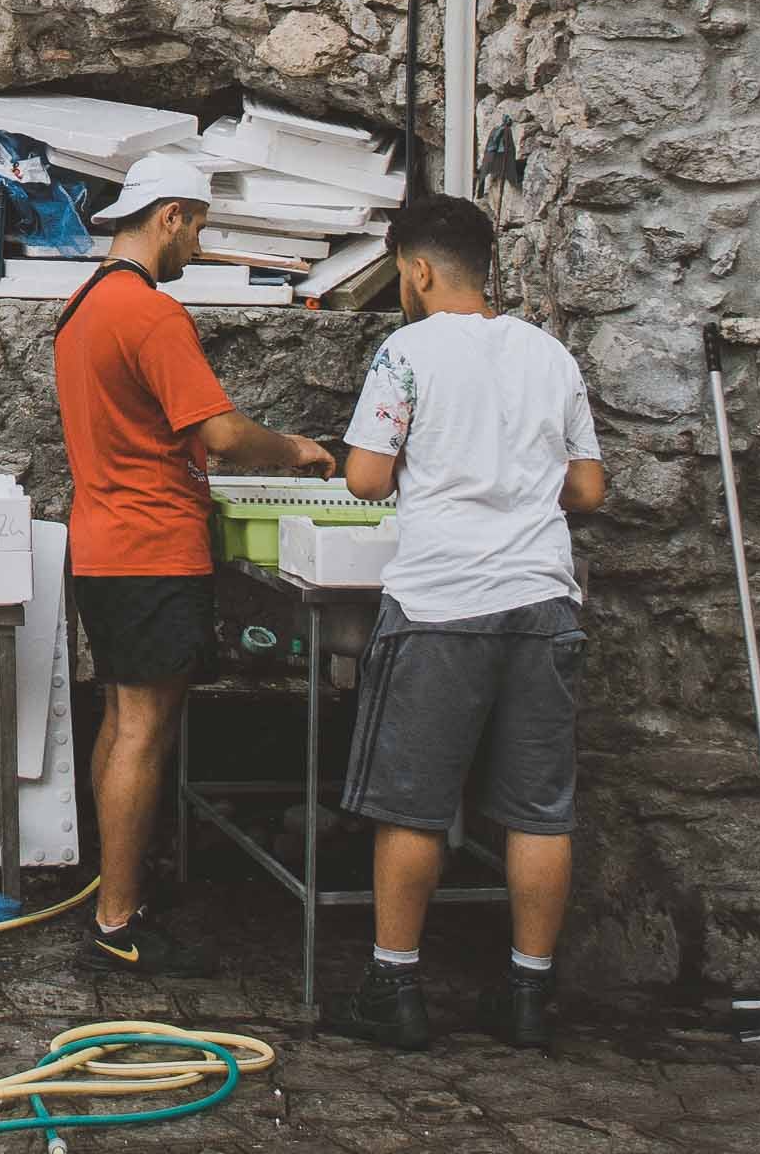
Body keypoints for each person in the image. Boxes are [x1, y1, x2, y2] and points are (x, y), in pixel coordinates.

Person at [320, 193, 605, 1053]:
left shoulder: (405, 352)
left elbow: (367, 478)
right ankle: (527, 994)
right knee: (537, 810)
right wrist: (513, 483)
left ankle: (395, 986)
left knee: (411, 806)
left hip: (443, 604)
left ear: (414, 269)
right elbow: (588, 489)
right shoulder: (550, 355)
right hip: (542, 601)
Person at [52, 152, 337, 977]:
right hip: (151, 547)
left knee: (119, 715)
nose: (200, 246)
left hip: (101, 544)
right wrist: (297, 450)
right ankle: (116, 920)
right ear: (169, 215)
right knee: (144, 726)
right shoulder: (148, 315)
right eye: (200, 226)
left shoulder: (80, 309)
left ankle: (117, 888)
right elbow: (217, 434)